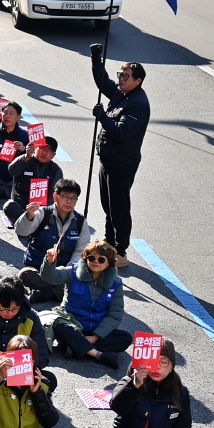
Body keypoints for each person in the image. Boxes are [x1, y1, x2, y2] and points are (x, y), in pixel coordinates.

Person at [90, 45, 151, 268]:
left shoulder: (138, 104)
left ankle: (121, 251)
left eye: (126, 76)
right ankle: (109, 242)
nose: (121, 79)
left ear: (138, 80)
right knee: (108, 205)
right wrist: (96, 59)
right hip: (108, 160)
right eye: (120, 75)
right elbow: (103, 83)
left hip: (122, 164)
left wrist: (103, 117)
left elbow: (122, 132)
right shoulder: (122, 93)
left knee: (119, 209)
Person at [37, 240, 131, 370]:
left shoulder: (116, 283)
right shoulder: (73, 271)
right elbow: (51, 277)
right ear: (86, 258)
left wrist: (95, 337)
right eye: (91, 257)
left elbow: (115, 314)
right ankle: (97, 354)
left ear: (109, 262)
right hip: (72, 323)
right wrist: (50, 261)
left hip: (96, 329)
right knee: (60, 326)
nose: (95, 261)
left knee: (125, 338)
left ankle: (75, 347)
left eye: (101, 259)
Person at [15, 178, 90, 303]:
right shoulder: (42, 213)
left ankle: (43, 294)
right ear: (55, 196)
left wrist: (67, 271)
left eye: (73, 198)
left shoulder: (81, 221)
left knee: (85, 282)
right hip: (38, 268)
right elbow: (21, 231)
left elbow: (81, 250)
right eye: (65, 196)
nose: (69, 201)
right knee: (25, 275)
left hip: (63, 271)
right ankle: (61, 292)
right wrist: (28, 216)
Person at [3, 136, 63, 225]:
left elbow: (54, 194)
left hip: (41, 210)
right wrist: (26, 156)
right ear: (36, 148)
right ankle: (35, 225)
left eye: (49, 151)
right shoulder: (25, 160)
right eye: (42, 148)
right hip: (21, 205)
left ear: (53, 155)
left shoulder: (56, 170)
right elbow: (12, 170)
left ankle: (31, 225)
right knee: (8, 206)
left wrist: (43, 210)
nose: (45, 152)